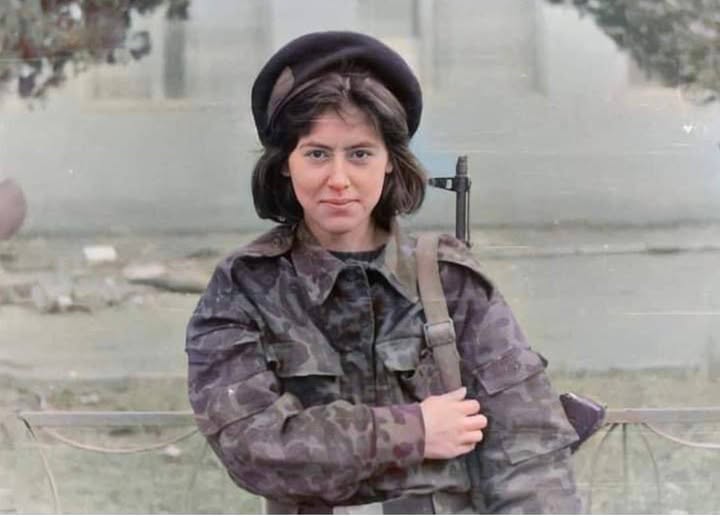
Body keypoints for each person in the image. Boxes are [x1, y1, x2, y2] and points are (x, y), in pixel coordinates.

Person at [186, 31, 581, 514]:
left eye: (360, 154)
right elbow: (253, 448)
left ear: (390, 162)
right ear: (285, 165)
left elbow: (531, 450)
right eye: (316, 153)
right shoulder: (245, 287)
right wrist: (414, 430)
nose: (338, 179)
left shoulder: (449, 281)